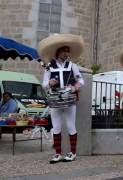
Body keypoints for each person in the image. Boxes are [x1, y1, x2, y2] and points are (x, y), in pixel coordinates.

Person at [38, 34, 85, 164]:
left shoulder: (72, 66)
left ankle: (73, 153)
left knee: (71, 125)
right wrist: (50, 83)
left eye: (67, 51)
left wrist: (75, 87)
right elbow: (44, 84)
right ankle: (58, 153)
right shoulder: (49, 67)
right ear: (58, 52)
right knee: (56, 126)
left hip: (69, 98)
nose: (66, 53)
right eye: (64, 51)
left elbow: (81, 80)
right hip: (55, 98)